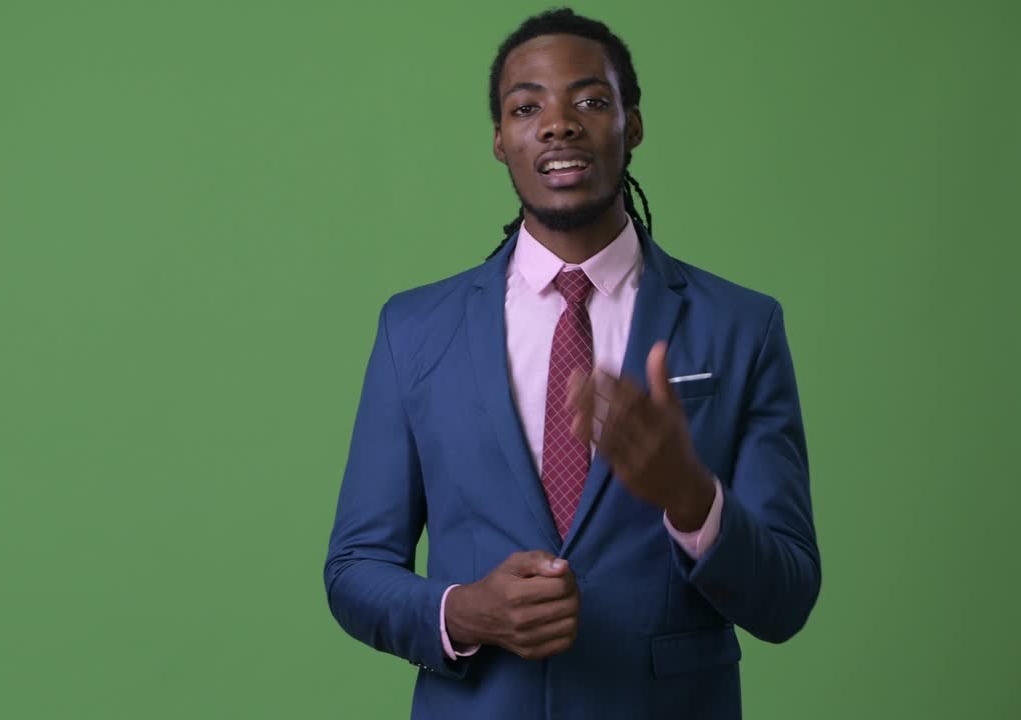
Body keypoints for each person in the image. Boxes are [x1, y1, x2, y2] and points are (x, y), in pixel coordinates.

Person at [323, 8, 820, 718]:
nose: (558, 124)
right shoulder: (414, 330)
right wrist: (465, 611)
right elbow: (353, 570)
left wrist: (691, 498)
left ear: (634, 125)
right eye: (527, 107)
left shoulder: (741, 326)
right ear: (500, 140)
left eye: (590, 100)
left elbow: (789, 596)